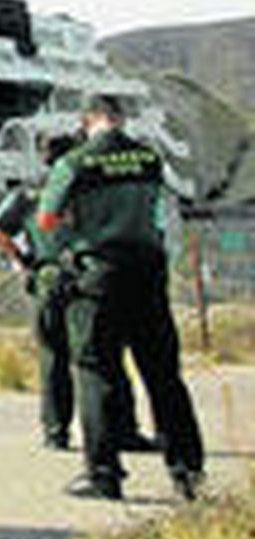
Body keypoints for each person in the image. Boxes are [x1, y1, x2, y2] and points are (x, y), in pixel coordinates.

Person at [36, 95, 205, 501]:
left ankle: (104, 474)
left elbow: (46, 219)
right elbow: (161, 209)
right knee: (163, 373)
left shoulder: (74, 163)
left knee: (97, 370)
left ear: (88, 121)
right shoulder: (148, 158)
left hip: (99, 275)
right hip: (148, 272)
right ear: (120, 119)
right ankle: (186, 470)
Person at [0, 132, 151, 453]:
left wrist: (23, 262)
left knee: (53, 359)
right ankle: (121, 430)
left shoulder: (29, 189)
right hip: (86, 275)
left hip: (46, 278)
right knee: (105, 355)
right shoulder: (84, 183)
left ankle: (56, 432)